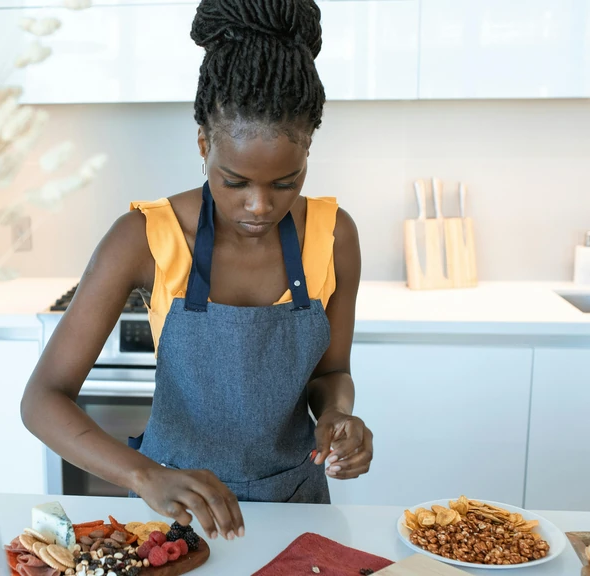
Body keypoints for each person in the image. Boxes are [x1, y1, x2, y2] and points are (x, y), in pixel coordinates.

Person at [20, 0, 372, 542]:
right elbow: (42, 399)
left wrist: (339, 418)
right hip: (171, 516)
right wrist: (144, 475)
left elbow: (331, 374)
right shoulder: (143, 238)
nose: (260, 205)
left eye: (285, 182)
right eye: (235, 182)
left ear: (308, 152)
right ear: (204, 145)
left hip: (296, 510)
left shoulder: (333, 235)